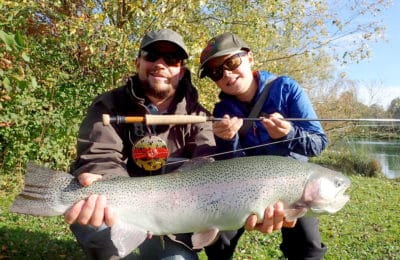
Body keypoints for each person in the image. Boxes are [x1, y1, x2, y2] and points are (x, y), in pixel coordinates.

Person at [64, 28, 295, 260]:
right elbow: (100, 156)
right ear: (138, 62)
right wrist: (103, 181)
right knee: (96, 226)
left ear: (181, 70)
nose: (160, 64)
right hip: (119, 204)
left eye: (172, 59)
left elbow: (209, 169)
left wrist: (245, 209)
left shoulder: (201, 117)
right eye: (151, 55)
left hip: (173, 223)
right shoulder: (108, 105)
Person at [198, 32, 329, 260]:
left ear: (249, 58)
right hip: (245, 188)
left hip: (292, 186)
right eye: (216, 72)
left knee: (308, 248)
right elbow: (230, 166)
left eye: (232, 62)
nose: (227, 74)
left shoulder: (287, 89)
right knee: (218, 242)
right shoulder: (221, 112)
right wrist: (227, 140)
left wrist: (289, 133)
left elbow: (318, 143)